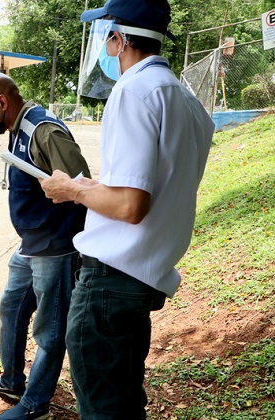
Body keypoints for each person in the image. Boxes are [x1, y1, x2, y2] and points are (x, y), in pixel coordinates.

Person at [40, 0, 215, 418]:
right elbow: (162, 186)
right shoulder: (185, 99)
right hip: (139, 282)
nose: (103, 47)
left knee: (103, 409)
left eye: (105, 37)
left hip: (109, 285)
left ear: (118, 39)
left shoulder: (133, 90)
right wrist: (95, 186)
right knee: (123, 403)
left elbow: (131, 205)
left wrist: (71, 190)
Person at [0, 73, 89, 420]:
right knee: (11, 307)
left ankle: (35, 405)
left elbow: (83, 186)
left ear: (2, 102)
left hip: (55, 245)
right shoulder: (18, 128)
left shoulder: (43, 130)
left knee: (50, 330)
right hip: (31, 244)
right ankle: (12, 380)